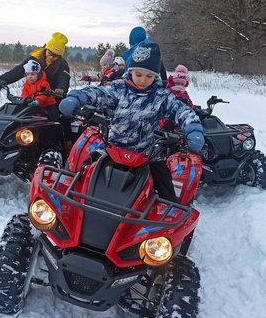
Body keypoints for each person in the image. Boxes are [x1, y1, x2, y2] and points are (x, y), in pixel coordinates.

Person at [59, 42, 204, 202]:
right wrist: (78, 98)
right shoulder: (119, 89)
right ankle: (71, 203)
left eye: (149, 76)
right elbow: (98, 92)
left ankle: (167, 216)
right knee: (84, 169)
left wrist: (193, 129)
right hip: (113, 149)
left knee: (165, 184)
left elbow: (181, 110)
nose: (143, 80)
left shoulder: (161, 97)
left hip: (144, 153)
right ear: (131, 71)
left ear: (155, 76)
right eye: (139, 74)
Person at [0, 32, 73, 153]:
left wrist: (61, 89)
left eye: (55, 56)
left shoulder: (62, 65)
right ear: (46, 48)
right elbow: (19, 70)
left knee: (60, 119)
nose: (51, 57)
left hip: (52, 97)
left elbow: (63, 79)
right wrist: (2, 80)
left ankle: (62, 147)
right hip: (31, 97)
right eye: (50, 53)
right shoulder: (34, 58)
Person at [159, 64, 196, 131]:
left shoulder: (184, 93)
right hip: (170, 119)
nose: (180, 86)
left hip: (183, 117)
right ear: (174, 83)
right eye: (178, 83)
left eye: (182, 84)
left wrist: (193, 109)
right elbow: (164, 109)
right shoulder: (169, 92)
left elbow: (190, 103)